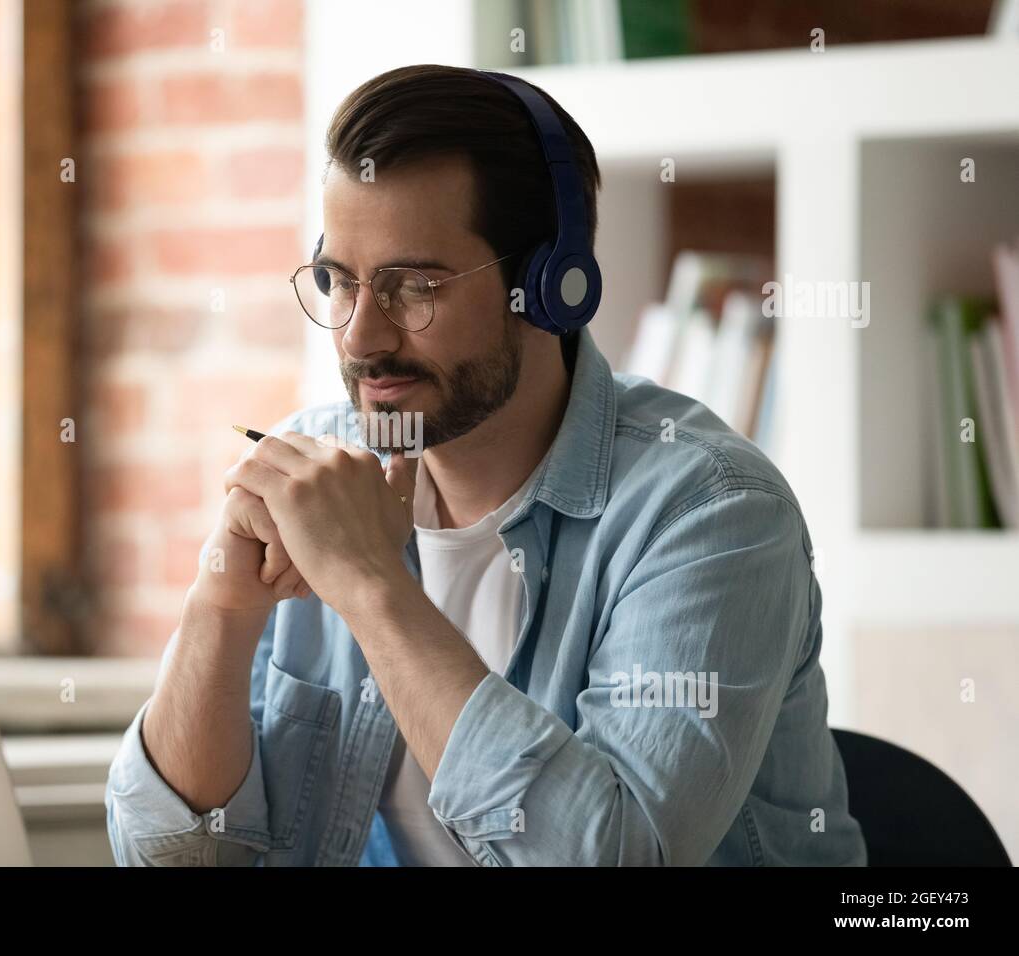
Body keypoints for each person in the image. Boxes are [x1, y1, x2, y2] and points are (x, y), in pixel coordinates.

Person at [104, 64, 866, 866]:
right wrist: (219, 612)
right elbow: (173, 858)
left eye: (414, 288)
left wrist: (371, 586)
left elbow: (611, 857)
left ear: (551, 288)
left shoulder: (711, 513)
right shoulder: (313, 473)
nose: (360, 338)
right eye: (338, 282)